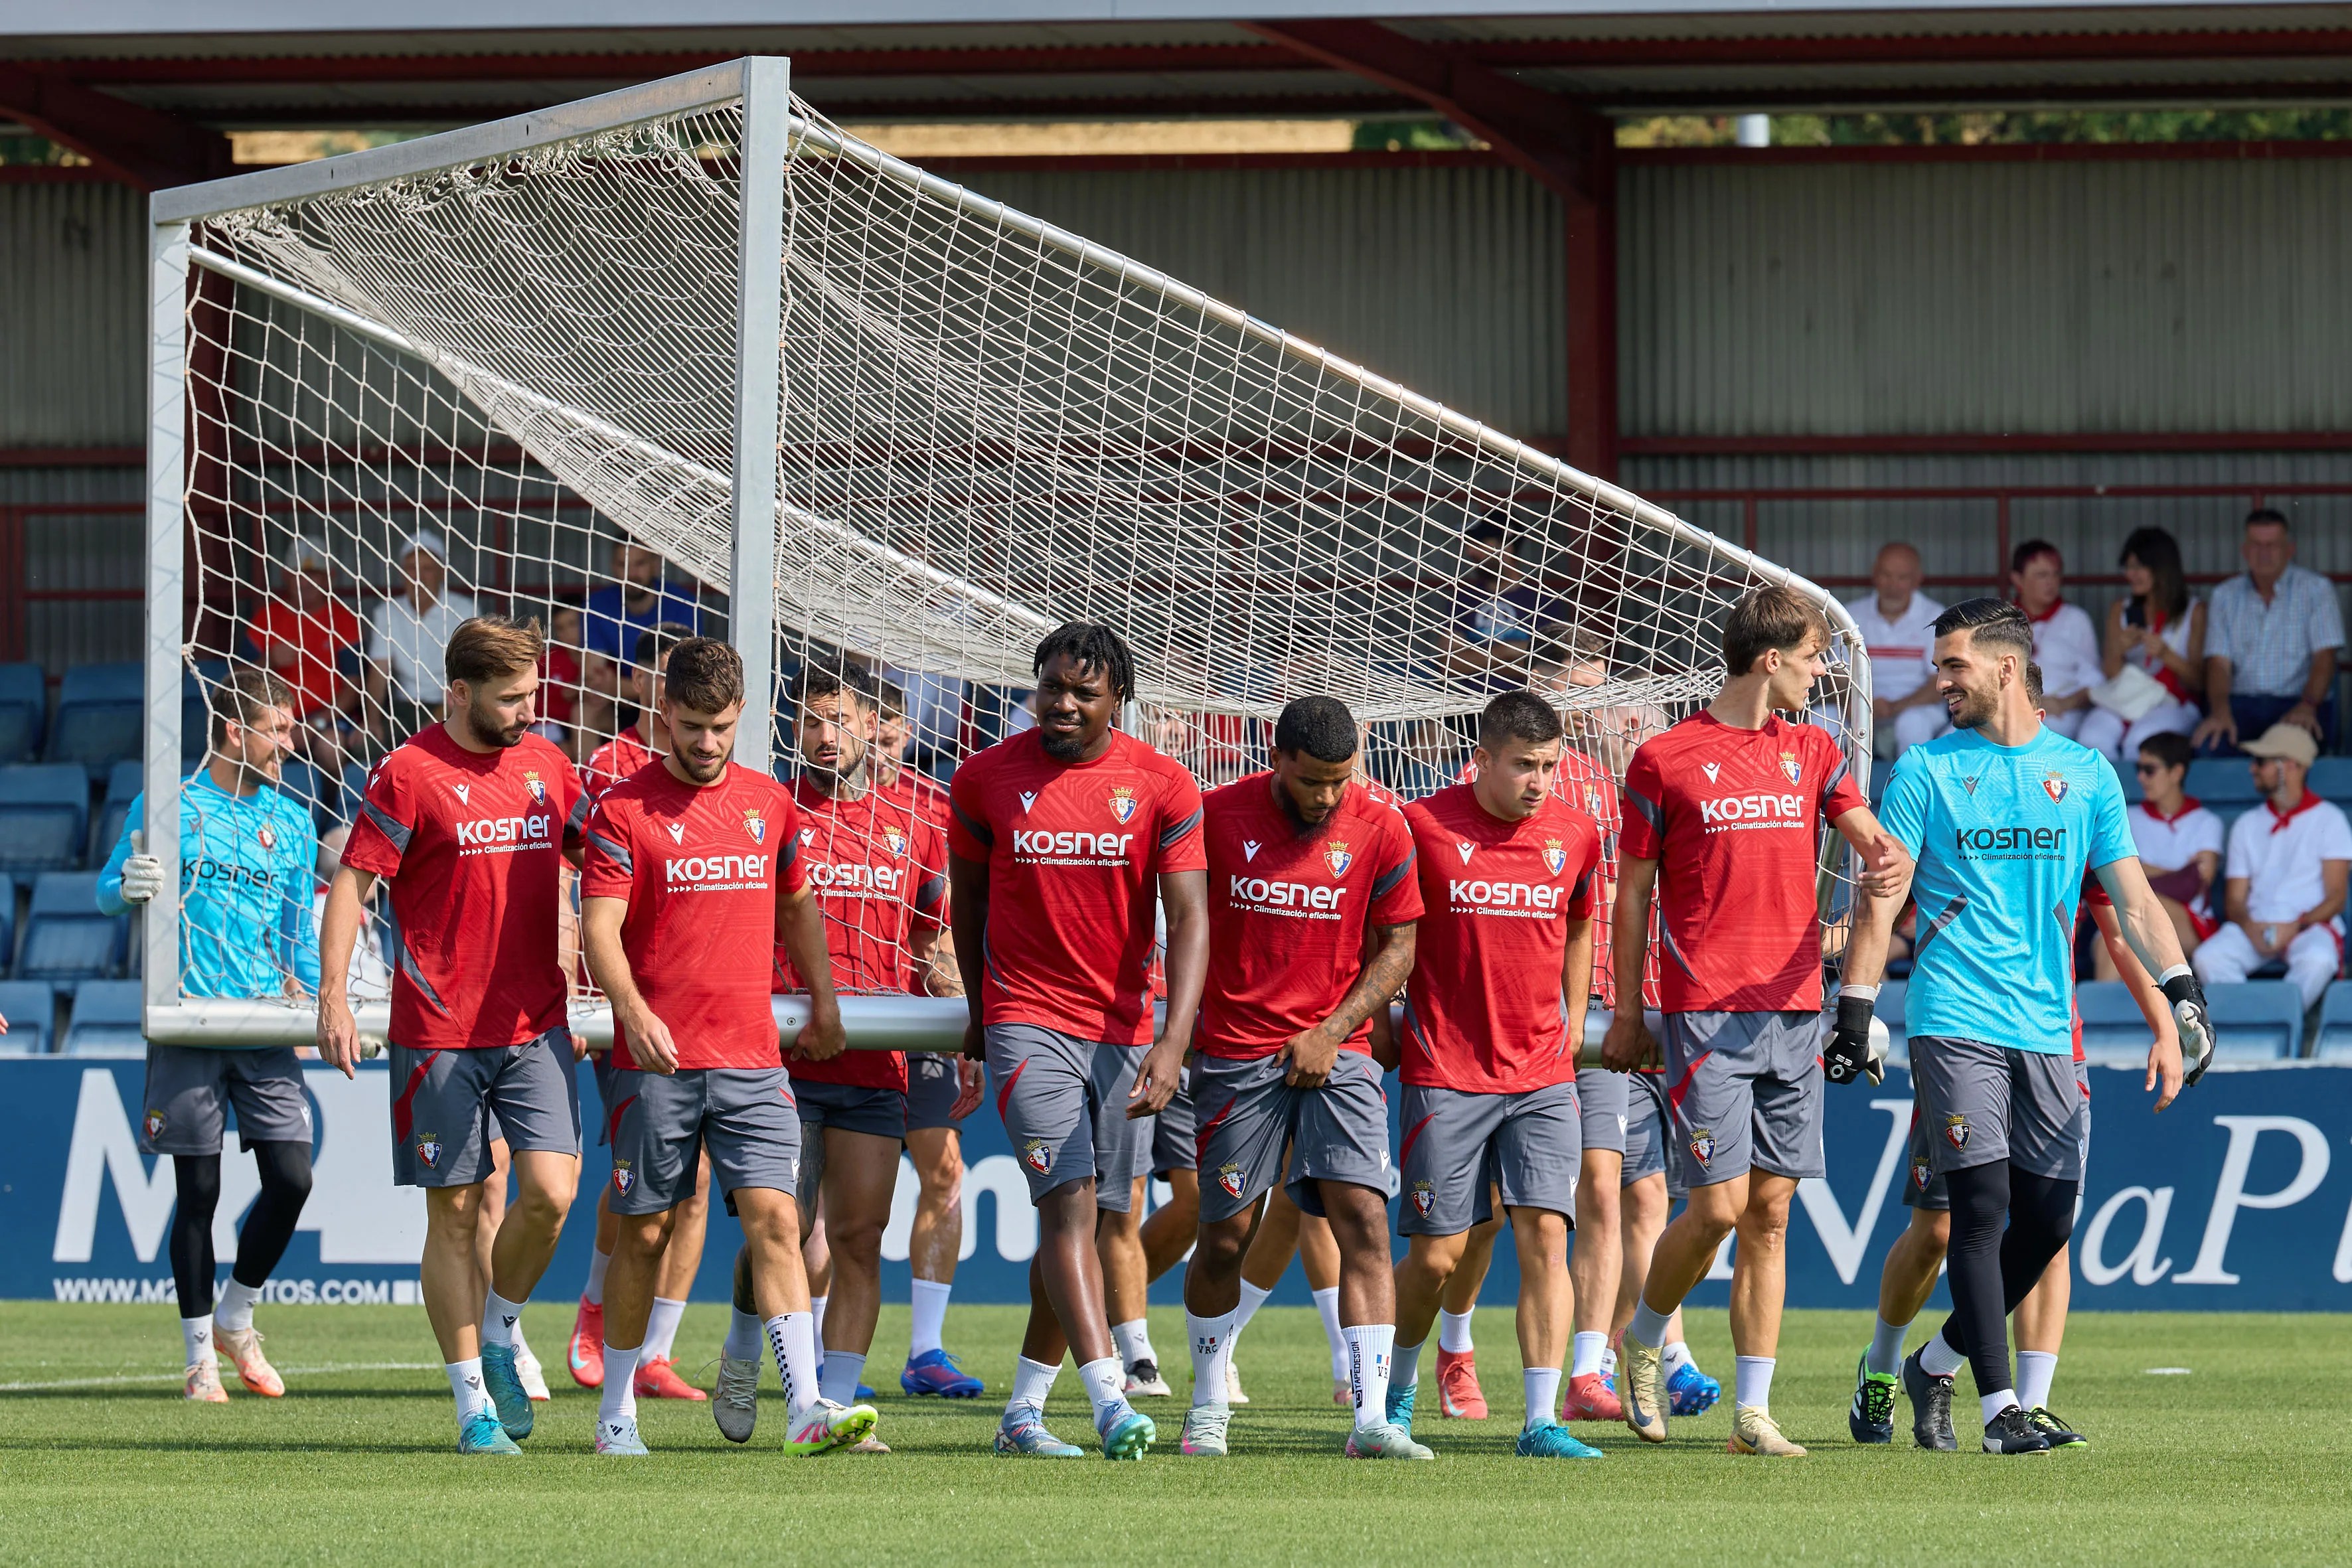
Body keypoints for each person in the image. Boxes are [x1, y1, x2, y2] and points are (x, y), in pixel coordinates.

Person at [1843, 596, 2213, 1455]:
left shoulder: (2083, 773)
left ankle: (1932, 1359)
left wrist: (2181, 993)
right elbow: (1883, 894)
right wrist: (1857, 1006)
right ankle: (1997, 1406)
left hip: (2046, 1026)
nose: (1938, 681)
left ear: (2003, 668)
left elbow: (2130, 900)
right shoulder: (1923, 771)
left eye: (1952, 665)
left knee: (2046, 1223)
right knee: (1971, 1211)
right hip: (1951, 1016)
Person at [1603, 584, 1908, 1458]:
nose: (1821, 672)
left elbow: (1869, 842)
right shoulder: (1663, 758)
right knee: (1715, 1207)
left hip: (1795, 1009)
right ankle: (1644, 1338)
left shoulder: (1812, 750)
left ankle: (1751, 1411)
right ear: (1769, 658)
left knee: (1769, 1213)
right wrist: (1629, 1006)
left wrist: (1884, 861)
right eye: (1813, 657)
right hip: (1703, 1010)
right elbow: (1631, 896)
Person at [578, 636, 872, 1457]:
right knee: (645, 1232)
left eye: (722, 728)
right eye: (693, 726)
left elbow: (798, 905)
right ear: (664, 713)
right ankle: (616, 1414)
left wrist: (823, 1001)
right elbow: (599, 927)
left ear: (742, 717)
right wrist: (631, 1010)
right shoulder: (622, 810)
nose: (707, 744)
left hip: (751, 1059)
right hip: (657, 1063)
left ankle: (807, 1405)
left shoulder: (768, 801)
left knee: (779, 1221)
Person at [319, 615, 588, 1456]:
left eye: (533, 694)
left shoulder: (548, 762)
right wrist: (334, 991)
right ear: (460, 693)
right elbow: (353, 881)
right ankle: (473, 1402)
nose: (527, 711)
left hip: (535, 1020)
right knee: (456, 1214)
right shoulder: (409, 772)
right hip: (437, 1027)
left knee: (551, 1192)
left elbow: (593, 861)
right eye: (511, 698)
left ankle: (504, 1328)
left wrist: (588, 956)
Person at [947, 622, 1204, 1460]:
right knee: (1065, 1206)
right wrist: (986, 1018)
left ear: (1116, 700)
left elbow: (1192, 917)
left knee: (1097, 1221)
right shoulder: (985, 779)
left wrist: (1171, 1043)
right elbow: (970, 904)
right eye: (1050, 686)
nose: (1061, 703)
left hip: (1125, 1032)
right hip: (1026, 1020)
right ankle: (1107, 1401)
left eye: (1081, 692)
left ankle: (1022, 1411)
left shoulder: (1163, 784)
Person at [1176, 696, 1422, 1460]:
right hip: (1235, 1054)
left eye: (1339, 781)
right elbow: (1182, 922)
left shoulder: (1382, 826)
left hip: (1339, 1051)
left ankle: (1373, 1419)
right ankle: (1209, 1401)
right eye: (1312, 780)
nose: (1326, 797)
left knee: (1366, 1222)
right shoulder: (1215, 816)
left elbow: (1399, 949)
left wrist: (1332, 1030)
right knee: (1224, 1239)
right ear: (1277, 758)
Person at [1853, 868, 2175, 1449]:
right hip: (1960, 1040)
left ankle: (2027, 1403)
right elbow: (1889, 910)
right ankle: (1881, 1363)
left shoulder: (2071, 808)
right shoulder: (1958, 807)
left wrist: (2165, 1024)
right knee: (1935, 1231)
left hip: (2055, 1046)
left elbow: (2122, 929)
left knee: (2049, 1231)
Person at [1381, 690, 1607, 1460]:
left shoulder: (1576, 834)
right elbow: (1383, 931)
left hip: (1543, 1073)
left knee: (1545, 1237)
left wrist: (1577, 1018)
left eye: (1549, 765)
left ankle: (1541, 1420)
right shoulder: (1423, 827)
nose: (1539, 781)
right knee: (1438, 1255)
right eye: (1523, 765)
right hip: (1446, 1069)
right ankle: (1397, 1391)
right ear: (1482, 758)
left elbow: (1581, 921)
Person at [98, 667, 319, 1404]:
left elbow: (297, 931)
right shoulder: (169, 806)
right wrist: (126, 880)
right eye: (279, 728)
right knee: (199, 1190)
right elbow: (104, 890)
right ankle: (200, 1359)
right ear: (236, 729)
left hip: (261, 1022)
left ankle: (237, 1312)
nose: (290, 742)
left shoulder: (289, 820)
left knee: (292, 1178)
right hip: (188, 1019)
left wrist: (313, 992)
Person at [779, 665, 971, 1422]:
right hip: (786, 1058)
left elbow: (935, 938)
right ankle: (739, 1343)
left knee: (859, 1237)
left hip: (877, 1058)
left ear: (871, 722)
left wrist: (967, 1030)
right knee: (784, 1231)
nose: (825, 738)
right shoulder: (775, 809)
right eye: (811, 721)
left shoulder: (918, 818)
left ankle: (830, 1403)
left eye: (840, 720)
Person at [565, 621, 712, 1403]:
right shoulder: (611, 769)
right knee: (641, 1173)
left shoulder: (728, 768)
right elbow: (574, 883)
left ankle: (657, 1348)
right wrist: (585, 987)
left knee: (698, 1178)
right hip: (631, 998)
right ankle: (595, 1307)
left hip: (709, 999)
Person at [2191, 723, 2351, 1011]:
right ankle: (2248, 1019)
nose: (2253, 768)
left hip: (2309, 924)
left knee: (2318, 959)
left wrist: (2296, 926)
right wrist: (2251, 926)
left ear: (2292, 765)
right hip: (2256, 924)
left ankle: (2280, 1019)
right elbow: (2235, 900)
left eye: (2262, 762)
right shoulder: (2247, 824)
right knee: (2209, 957)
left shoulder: (2330, 819)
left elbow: (2336, 897)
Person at [2195, 509, 2343, 754]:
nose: (2264, 553)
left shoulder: (2316, 590)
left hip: (2297, 703)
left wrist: (2308, 705)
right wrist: (2220, 711)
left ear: (2289, 549)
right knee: (2210, 746)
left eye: (2273, 545)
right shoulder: (2225, 595)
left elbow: (2324, 659)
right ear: (2245, 551)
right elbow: (2218, 665)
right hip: (2241, 705)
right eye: (2256, 545)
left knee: (2290, 756)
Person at [2100, 732, 2223, 975]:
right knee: (2116, 933)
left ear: (2176, 773)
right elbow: (2112, 874)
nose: (2141, 777)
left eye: (2150, 769)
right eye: (2138, 768)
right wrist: (2176, 872)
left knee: (2125, 924)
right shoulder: (2129, 817)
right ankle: (2106, 1013)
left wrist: (2138, 872)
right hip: (2127, 914)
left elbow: (2198, 881)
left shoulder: (2206, 821)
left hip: (2190, 920)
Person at [2078, 528, 2205, 763]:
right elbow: (2112, 675)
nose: (2131, 575)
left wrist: (2167, 655)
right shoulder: (2122, 609)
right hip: (2127, 699)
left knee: (2141, 743)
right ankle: (2106, 799)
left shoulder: (2193, 611)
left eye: (2139, 567)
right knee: (2092, 737)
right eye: (2128, 567)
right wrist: (2118, 649)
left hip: (2175, 703)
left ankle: (2134, 800)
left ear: (2162, 568)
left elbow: (2198, 683)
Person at [248, 535, 362, 770]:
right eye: (298, 573)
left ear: (330, 577)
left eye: (314, 574)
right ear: (285, 576)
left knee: (332, 747)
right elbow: (237, 676)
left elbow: (353, 689)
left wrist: (316, 723)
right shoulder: (267, 618)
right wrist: (269, 660)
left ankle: (329, 807)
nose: (305, 582)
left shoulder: (344, 620)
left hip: (325, 722)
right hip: (271, 720)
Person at [364, 530, 479, 742]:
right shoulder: (387, 612)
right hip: (400, 709)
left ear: (441, 572)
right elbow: (378, 674)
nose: (418, 576)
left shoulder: (464, 610)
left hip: (450, 707)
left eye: (427, 569)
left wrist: (432, 724)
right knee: (364, 747)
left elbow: (469, 674)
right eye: (411, 568)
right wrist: (372, 723)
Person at [1843, 542, 1947, 757]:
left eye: (1902, 577)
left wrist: (1894, 707)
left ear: (1918, 579)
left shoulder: (1936, 617)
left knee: (1912, 724)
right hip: (1859, 706)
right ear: (1874, 574)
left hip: (1917, 709)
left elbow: (1938, 682)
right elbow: (1836, 675)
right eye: (1887, 575)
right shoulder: (1850, 616)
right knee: (1821, 718)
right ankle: (1832, 790)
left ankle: (1911, 789)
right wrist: (1863, 706)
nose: (1893, 584)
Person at [2008, 542, 2102, 742]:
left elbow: (2095, 683)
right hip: (2008, 711)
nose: (2051, 582)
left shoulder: (2077, 620)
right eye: (2042, 575)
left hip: (2060, 713)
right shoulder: (2002, 621)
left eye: (2056, 574)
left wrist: (2063, 704)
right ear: (2018, 579)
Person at [581, 542, 705, 665]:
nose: (631, 574)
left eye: (639, 564)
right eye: (623, 565)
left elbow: (685, 674)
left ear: (655, 564)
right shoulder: (596, 605)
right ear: (613, 567)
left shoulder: (684, 604)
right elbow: (595, 675)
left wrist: (616, 684)